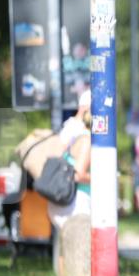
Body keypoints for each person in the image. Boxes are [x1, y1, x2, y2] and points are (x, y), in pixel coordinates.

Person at [47, 89, 92, 230]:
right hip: (74, 200)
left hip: (64, 197)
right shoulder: (84, 136)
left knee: (67, 246)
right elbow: (78, 173)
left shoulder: (70, 127)